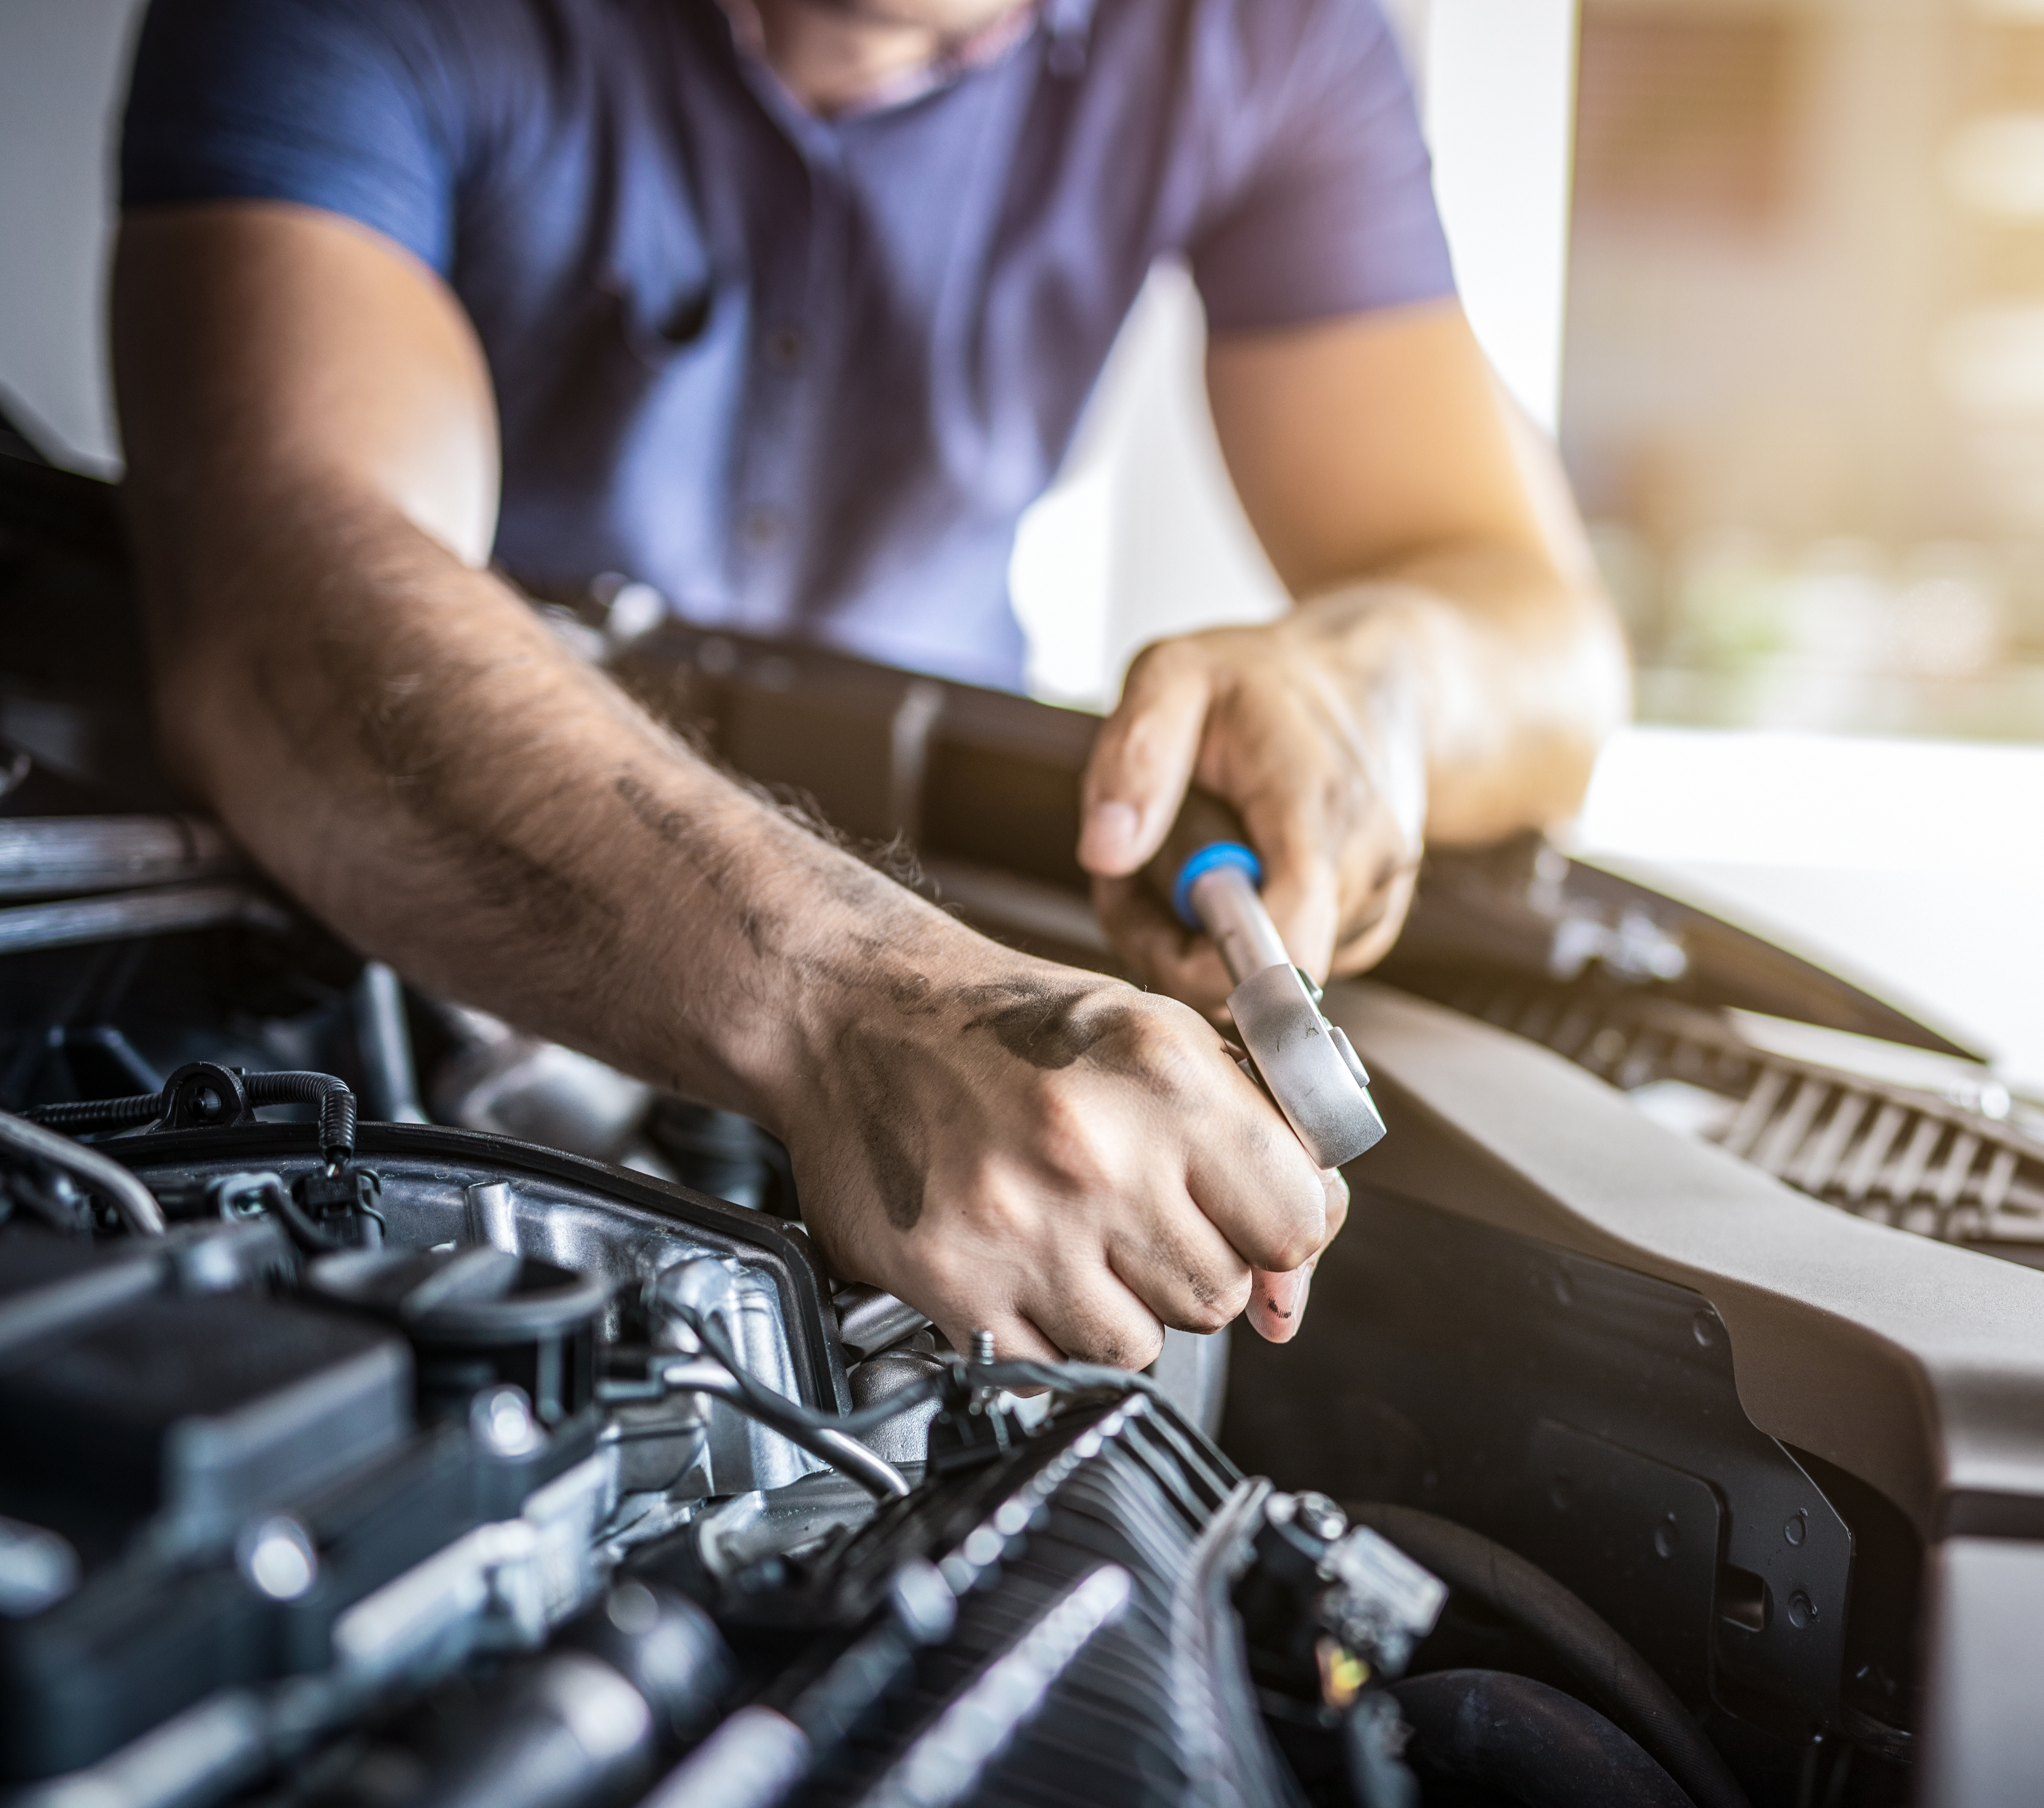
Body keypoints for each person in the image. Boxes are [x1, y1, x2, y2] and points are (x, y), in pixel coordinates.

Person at [108, 0, 1626, 1369]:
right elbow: (288, 603)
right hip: (426, 934)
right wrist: (844, 1002)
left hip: (951, 950)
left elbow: (1537, 640)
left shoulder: (1258, 33)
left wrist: (1378, 678)